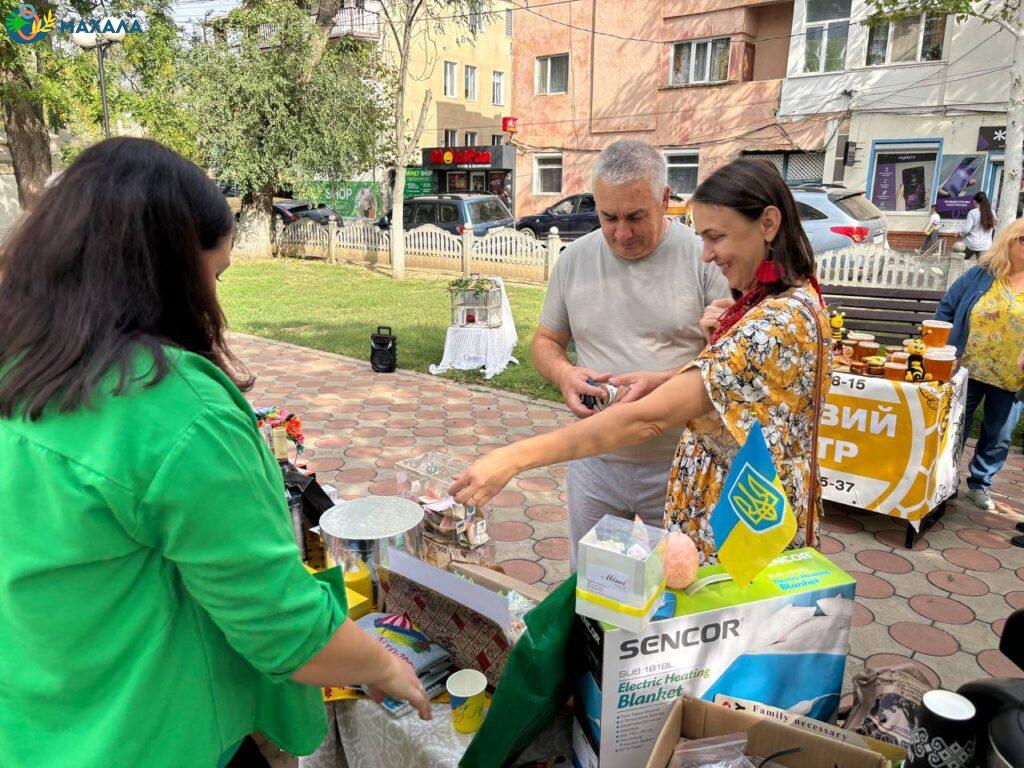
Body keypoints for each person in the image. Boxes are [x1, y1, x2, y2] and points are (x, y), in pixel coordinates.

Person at [0, 138, 430, 768]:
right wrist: (383, 666)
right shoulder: (172, 408)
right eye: (216, 275)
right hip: (154, 737)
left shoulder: (21, 364)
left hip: (40, 724)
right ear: (166, 272)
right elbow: (282, 625)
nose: (215, 303)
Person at [454, 158, 830, 564]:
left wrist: (512, 458)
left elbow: (645, 419)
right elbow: (728, 380)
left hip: (746, 520)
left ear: (768, 224)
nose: (706, 255)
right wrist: (667, 377)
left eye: (716, 237)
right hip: (730, 505)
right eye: (608, 216)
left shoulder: (772, 322)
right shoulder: (783, 302)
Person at [531, 140, 730, 568]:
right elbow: (545, 341)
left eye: (636, 216)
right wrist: (563, 374)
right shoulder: (574, 260)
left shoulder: (706, 259)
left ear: (664, 200)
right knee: (592, 589)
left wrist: (665, 380)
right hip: (595, 460)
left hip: (681, 463)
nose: (622, 233)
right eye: (609, 217)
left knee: (679, 590)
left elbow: (729, 363)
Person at [936, 216, 1024, 515]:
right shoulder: (982, 275)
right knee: (955, 427)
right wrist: (946, 349)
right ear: (1008, 241)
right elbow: (947, 308)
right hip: (967, 367)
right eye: (1023, 240)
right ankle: (946, 482)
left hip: (1012, 375)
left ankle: (980, 483)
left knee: (998, 434)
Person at [959, 191, 996, 259]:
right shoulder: (992, 213)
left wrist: (960, 234)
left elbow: (966, 230)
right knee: (983, 267)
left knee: (958, 260)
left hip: (971, 244)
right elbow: (994, 226)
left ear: (975, 201)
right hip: (985, 246)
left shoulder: (972, 212)